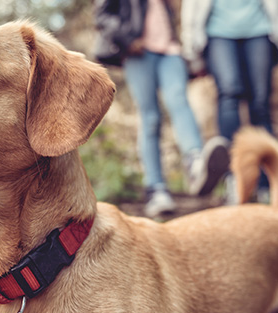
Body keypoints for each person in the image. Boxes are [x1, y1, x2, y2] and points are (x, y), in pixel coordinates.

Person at [94, 0, 230, 218]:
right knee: (150, 118)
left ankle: (195, 164)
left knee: (179, 100)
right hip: (138, 52)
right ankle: (156, 188)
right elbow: (102, 16)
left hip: (170, 51)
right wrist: (127, 40)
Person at [180, 0, 278, 203]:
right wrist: (191, 48)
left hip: (260, 31)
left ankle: (267, 185)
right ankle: (234, 179)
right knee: (229, 95)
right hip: (218, 33)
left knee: (260, 104)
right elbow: (191, 7)